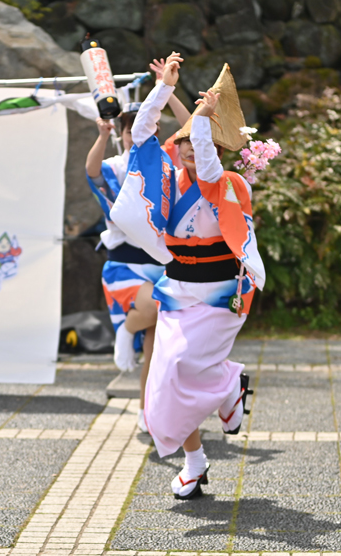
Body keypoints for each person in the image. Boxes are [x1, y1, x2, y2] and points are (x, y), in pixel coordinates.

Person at [111, 53, 266, 499]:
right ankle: (195, 460)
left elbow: (208, 160)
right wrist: (163, 89)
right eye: (181, 144)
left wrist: (201, 116)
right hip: (177, 289)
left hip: (222, 293)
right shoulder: (165, 179)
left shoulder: (231, 185)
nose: (189, 150)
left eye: (200, 144)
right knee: (163, 384)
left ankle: (226, 386)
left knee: (184, 367)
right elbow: (141, 133)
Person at [85, 59, 190, 433]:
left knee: (155, 349)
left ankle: (149, 414)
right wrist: (101, 136)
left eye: (139, 128)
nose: (133, 134)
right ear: (124, 134)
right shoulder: (116, 165)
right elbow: (92, 173)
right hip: (125, 265)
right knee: (150, 308)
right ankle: (126, 330)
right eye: (127, 130)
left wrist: (171, 89)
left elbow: (193, 130)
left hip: (161, 261)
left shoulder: (164, 162)